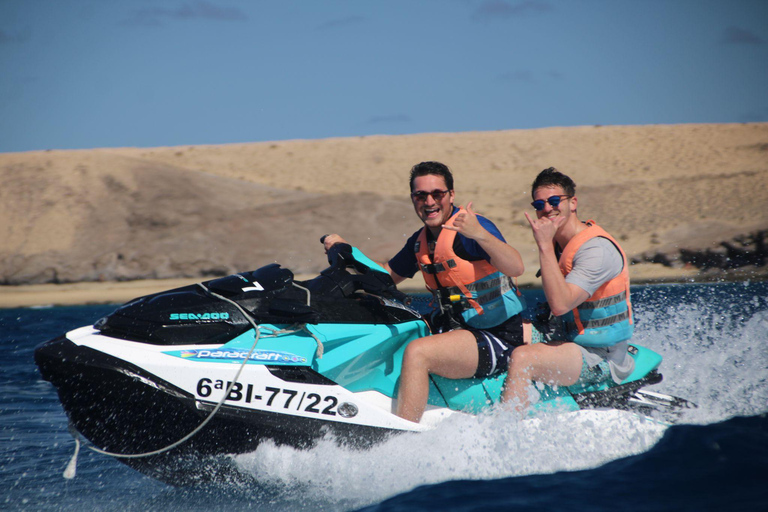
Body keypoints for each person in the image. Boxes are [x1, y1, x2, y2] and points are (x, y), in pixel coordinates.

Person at [323, 161, 526, 423]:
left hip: (497, 336)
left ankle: (403, 432)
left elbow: (516, 266)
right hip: (454, 330)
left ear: (451, 195)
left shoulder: (470, 230)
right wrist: (347, 252)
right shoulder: (420, 241)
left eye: (437, 194)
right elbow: (385, 278)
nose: (429, 201)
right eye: (421, 195)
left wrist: (479, 234)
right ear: (413, 199)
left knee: (419, 352)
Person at [502, 167, 635, 414]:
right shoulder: (558, 244)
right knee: (502, 330)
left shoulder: (596, 250)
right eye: (539, 204)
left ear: (573, 203)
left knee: (523, 359)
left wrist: (542, 245)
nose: (548, 208)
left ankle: (507, 433)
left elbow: (561, 305)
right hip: (567, 339)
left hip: (600, 356)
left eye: (555, 201)